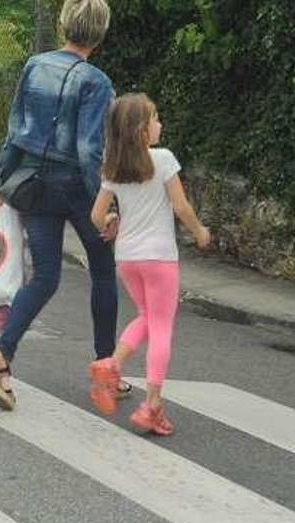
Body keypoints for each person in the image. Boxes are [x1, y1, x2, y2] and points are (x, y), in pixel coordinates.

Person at [0, 0, 114, 411]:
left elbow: (14, 129)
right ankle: (105, 368)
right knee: (104, 272)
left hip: (34, 184)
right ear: (100, 32)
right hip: (76, 186)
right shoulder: (97, 82)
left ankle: (0, 356)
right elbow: (90, 150)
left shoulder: (35, 65)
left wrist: (0, 182)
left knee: (44, 277)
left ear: (64, 24)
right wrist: (103, 205)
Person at [88, 93, 210, 435]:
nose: (160, 124)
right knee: (161, 327)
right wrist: (199, 231)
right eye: (155, 119)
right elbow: (181, 206)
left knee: (146, 317)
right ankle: (151, 404)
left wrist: (111, 221)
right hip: (159, 257)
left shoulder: (113, 167)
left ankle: (111, 364)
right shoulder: (163, 159)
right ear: (141, 130)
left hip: (126, 257)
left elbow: (96, 215)